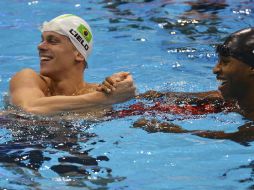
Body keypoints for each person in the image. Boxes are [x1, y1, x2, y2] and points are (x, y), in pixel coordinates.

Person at [104, 27, 254, 144]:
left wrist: (176, 131)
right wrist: (126, 93)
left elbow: (235, 138)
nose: (215, 69)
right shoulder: (230, 101)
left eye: (225, 62)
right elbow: (166, 98)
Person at [9, 14, 136, 116]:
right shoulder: (27, 78)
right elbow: (28, 108)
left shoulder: (97, 92)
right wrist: (104, 99)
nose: (40, 46)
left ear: (79, 54)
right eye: (42, 40)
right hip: (16, 147)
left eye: (52, 41)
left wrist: (121, 89)